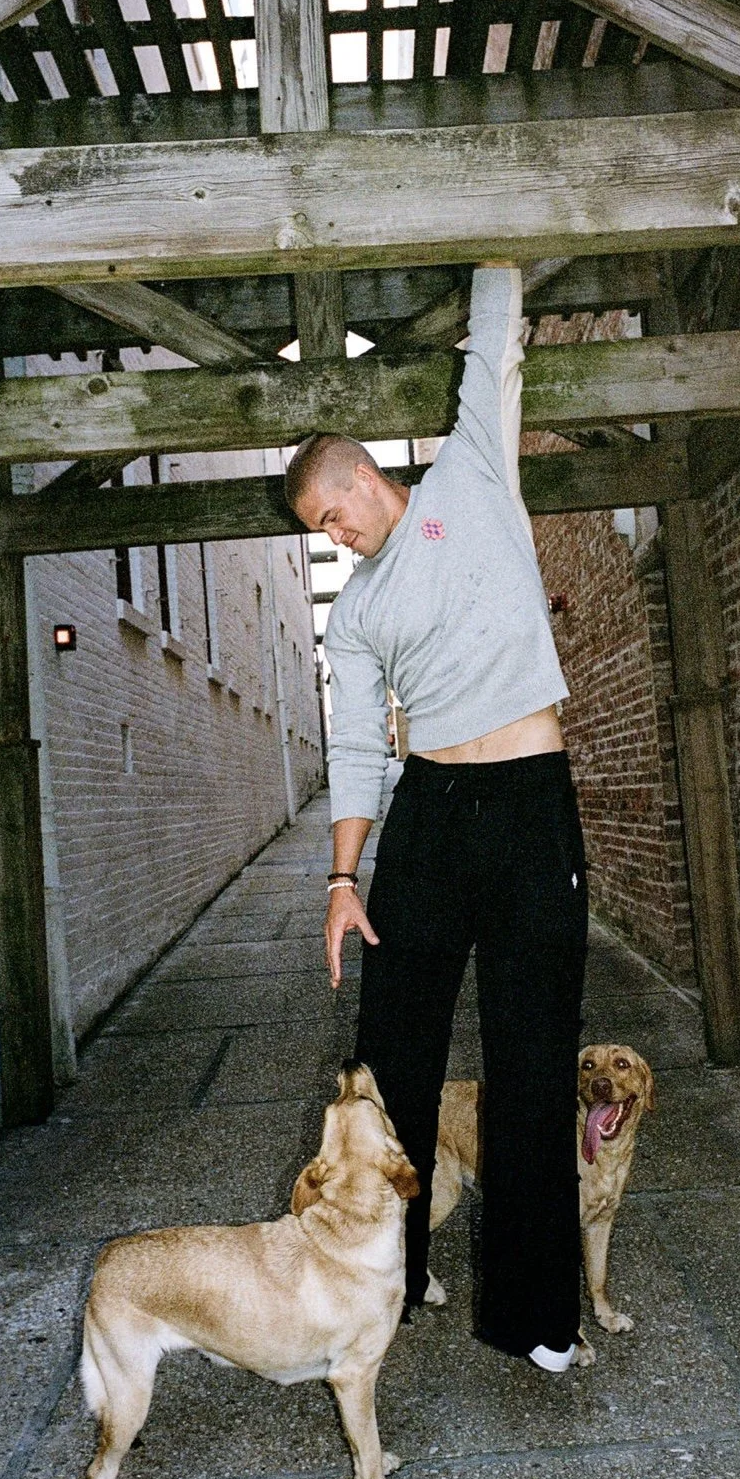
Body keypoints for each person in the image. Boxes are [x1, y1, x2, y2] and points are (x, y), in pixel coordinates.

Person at [286, 264, 588, 1373]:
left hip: (526, 803)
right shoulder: (354, 614)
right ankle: (389, 1274)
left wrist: (498, 265)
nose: (336, 538)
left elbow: (490, 355)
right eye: (319, 531)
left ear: (361, 478)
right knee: (391, 1053)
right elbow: (357, 747)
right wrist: (339, 880)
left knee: (529, 1059)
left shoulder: (470, 470)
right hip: (428, 817)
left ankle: (534, 1316)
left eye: (332, 514)